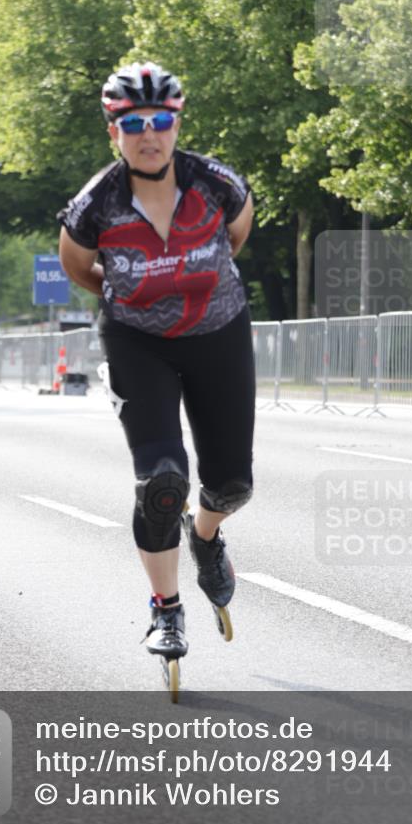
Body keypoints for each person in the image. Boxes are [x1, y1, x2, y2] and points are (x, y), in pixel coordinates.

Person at [57, 61, 255, 665]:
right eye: (133, 122)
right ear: (112, 129)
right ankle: (165, 610)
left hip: (219, 332)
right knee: (161, 481)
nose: (149, 134)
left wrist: (194, 290)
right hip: (137, 340)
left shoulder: (218, 185)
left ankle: (207, 538)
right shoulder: (95, 206)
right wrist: (136, 296)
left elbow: (237, 237)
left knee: (231, 484)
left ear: (177, 122)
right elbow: (76, 266)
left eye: (161, 120)